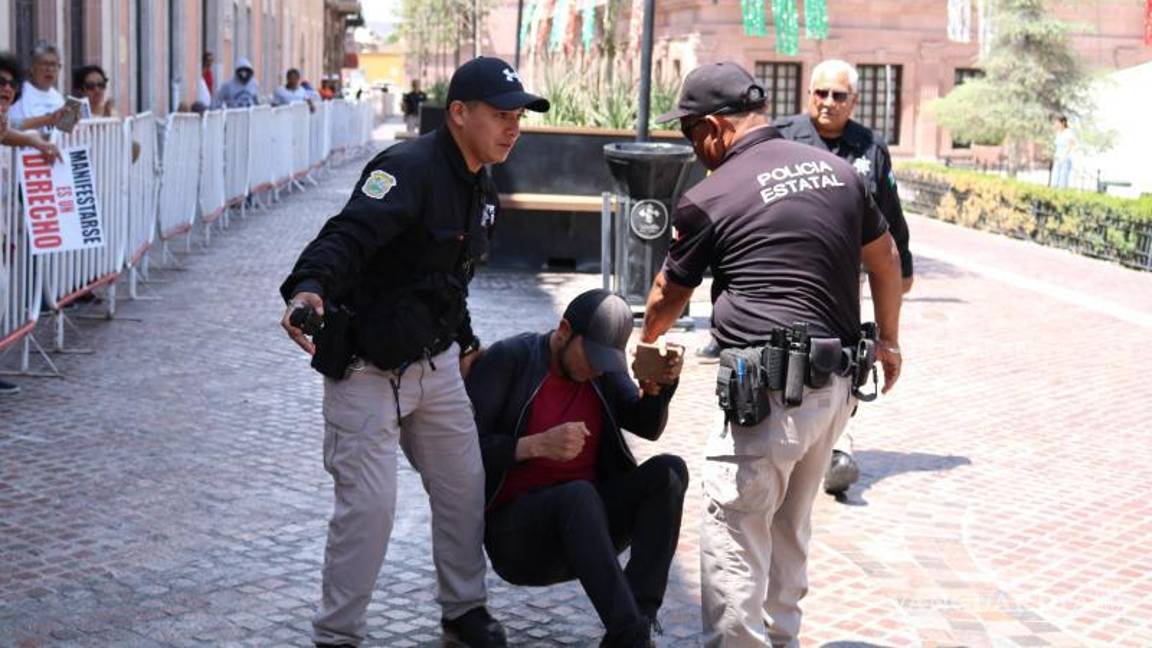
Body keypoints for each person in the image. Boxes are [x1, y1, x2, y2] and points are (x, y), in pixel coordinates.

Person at [279, 56, 549, 648]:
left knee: (464, 489)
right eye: (502, 114)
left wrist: (467, 340)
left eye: (519, 116)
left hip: (436, 363)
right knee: (369, 510)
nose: (514, 127)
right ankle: (338, 634)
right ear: (458, 113)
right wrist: (309, 287)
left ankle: (464, 611)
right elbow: (346, 234)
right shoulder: (406, 168)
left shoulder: (482, 184)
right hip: (366, 370)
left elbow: (448, 278)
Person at [642, 62, 903, 646]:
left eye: (688, 133)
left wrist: (644, 344)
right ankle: (782, 637)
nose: (692, 147)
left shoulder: (711, 194)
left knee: (736, 536)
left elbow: (666, 296)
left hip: (766, 402)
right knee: (789, 529)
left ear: (713, 127)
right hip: (834, 393)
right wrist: (888, 340)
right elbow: (886, 257)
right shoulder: (838, 172)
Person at [466, 289, 688, 648]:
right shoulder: (511, 359)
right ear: (564, 330)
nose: (597, 368)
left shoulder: (599, 372)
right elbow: (462, 453)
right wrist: (534, 445)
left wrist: (658, 390)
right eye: (592, 356)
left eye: (606, 361)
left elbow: (646, 425)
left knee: (670, 473)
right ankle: (631, 638)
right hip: (518, 538)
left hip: (590, 530)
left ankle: (636, 622)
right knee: (577, 495)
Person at [772, 59, 914, 497]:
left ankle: (836, 447)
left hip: (844, 276)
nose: (828, 102)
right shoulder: (782, 138)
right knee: (783, 356)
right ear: (809, 95)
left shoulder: (869, 146)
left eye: (838, 95)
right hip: (787, 269)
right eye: (821, 93)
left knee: (845, 358)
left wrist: (901, 267)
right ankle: (787, 443)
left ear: (853, 101)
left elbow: (889, 213)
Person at [8, 43, 66, 137]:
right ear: (32, 68)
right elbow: (11, 124)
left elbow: (63, 132)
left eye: (54, 65)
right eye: (45, 64)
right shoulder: (18, 92)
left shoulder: (58, 97)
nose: (50, 69)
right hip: (25, 150)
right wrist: (48, 119)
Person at [1050, 115, 1077, 189]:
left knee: (1063, 178)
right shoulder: (1058, 133)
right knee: (1055, 177)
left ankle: (1062, 194)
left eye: (1057, 122)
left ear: (1063, 123)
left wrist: (1063, 157)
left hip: (1065, 158)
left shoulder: (1068, 132)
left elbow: (1070, 146)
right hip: (1057, 157)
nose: (1056, 124)